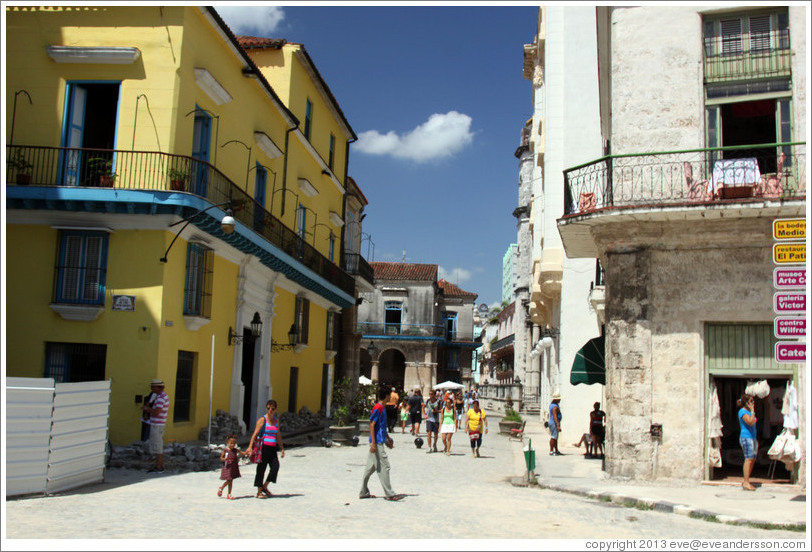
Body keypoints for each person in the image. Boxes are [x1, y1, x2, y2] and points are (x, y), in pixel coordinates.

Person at [359, 388, 403, 501]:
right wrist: (373, 443)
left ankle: (363, 492)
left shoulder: (382, 408)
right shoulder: (378, 407)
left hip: (380, 440)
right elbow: (372, 425)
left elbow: (382, 426)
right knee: (385, 466)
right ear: (387, 396)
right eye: (389, 395)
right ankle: (389, 493)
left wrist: (388, 438)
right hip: (377, 442)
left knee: (370, 468)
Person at [246, 399, 285, 499]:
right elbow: (254, 434)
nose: (270, 410)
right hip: (263, 448)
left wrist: (282, 448)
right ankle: (259, 491)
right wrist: (250, 447)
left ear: (275, 409)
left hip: (272, 448)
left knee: (275, 467)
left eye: (272, 408)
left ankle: (265, 486)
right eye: (268, 408)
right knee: (261, 469)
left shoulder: (276, 421)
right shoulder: (262, 420)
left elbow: (278, 435)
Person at [141, 378, 169, 473]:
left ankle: (159, 467)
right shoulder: (160, 396)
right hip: (158, 424)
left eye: (153, 387)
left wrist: (146, 409)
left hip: (157, 425)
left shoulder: (161, 398)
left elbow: (157, 412)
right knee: (157, 445)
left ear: (158, 387)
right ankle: (159, 465)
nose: (152, 389)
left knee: (158, 446)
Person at [738, 393, 758, 491]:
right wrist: (753, 410)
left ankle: (747, 479)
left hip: (753, 437)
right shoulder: (742, 412)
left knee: (753, 459)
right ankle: (746, 482)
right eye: (751, 401)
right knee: (748, 459)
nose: (753, 403)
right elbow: (750, 422)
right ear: (746, 402)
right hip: (746, 437)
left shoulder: (749, 411)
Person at [218, 433, 247, 500]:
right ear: (227, 443)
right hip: (228, 467)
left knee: (231, 481)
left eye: (234, 444)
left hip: (233, 467)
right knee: (229, 480)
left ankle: (227, 492)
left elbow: (242, 453)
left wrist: (247, 452)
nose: (232, 445)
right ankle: (224, 490)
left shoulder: (235, 450)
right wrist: (224, 459)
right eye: (231, 443)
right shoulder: (225, 450)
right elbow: (221, 458)